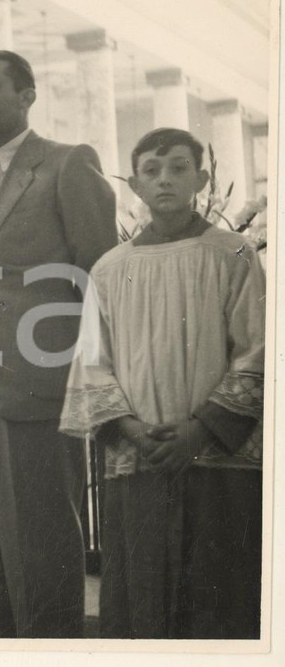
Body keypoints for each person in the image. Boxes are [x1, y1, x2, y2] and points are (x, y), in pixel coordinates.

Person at [60, 128, 265, 639]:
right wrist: (130, 430)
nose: (165, 179)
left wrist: (201, 429)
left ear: (202, 178)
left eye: (178, 167)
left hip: (217, 454)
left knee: (219, 587)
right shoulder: (110, 268)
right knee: (143, 587)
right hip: (140, 454)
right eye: (151, 171)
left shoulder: (234, 253)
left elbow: (256, 347)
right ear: (134, 185)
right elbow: (92, 360)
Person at [0, 50, 117, 637]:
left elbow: (98, 276)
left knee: (40, 534)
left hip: (37, 373)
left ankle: (51, 646)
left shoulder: (68, 164)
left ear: (27, 95)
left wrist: (93, 373)